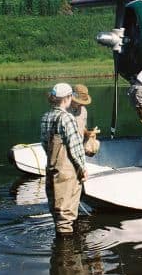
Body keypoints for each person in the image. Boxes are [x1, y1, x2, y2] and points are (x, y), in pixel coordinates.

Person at [40, 83, 88, 235]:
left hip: (52, 168)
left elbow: (44, 144)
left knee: (56, 209)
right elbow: (75, 147)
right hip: (68, 171)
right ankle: (67, 251)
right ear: (68, 98)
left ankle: (59, 251)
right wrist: (82, 168)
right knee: (66, 215)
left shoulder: (46, 116)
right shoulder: (67, 118)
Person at [68, 84, 100, 156]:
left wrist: (88, 134)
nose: (81, 104)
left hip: (78, 150)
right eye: (79, 101)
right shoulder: (63, 110)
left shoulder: (83, 110)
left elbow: (83, 129)